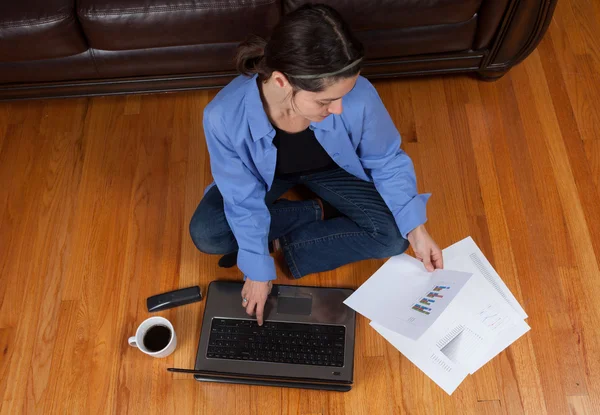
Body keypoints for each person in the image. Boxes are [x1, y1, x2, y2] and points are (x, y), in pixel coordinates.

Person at [189, 4, 443, 326]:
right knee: (208, 233)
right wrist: (256, 267)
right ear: (281, 81)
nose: (338, 109)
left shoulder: (358, 95)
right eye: (324, 101)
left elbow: (386, 159)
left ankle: (292, 244)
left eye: (343, 95)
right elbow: (242, 198)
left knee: (395, 237)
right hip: (266, 179)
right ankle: (315, 212)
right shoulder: (222, 117)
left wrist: (417, 231)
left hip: (335, 171)